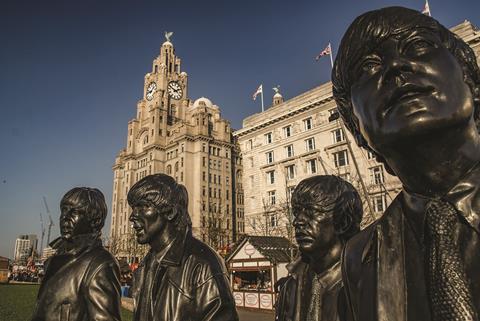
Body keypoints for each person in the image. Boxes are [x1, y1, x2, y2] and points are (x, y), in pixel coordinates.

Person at [332, 6, 480, 321]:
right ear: (357, 128)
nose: (396, 66)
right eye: (368, 66)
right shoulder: (360, 255)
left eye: (418, 46)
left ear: (470, 79)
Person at [128, 173, 238, 321]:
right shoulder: (145, 265)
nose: (132, 217)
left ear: (170, 212)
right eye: (134, 208)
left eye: (143, 207)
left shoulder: (203, 265)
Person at [275, 175, 363, 321]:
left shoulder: (368, 285)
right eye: (296, 213)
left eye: (311, 211)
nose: (297, 221)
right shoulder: (290, 287)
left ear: (344, 222)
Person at [30, 187, 121, 321]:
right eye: (64, 210)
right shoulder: (53, 261)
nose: (65, 217)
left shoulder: (100, 264)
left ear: (95, 221)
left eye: (74, 212)